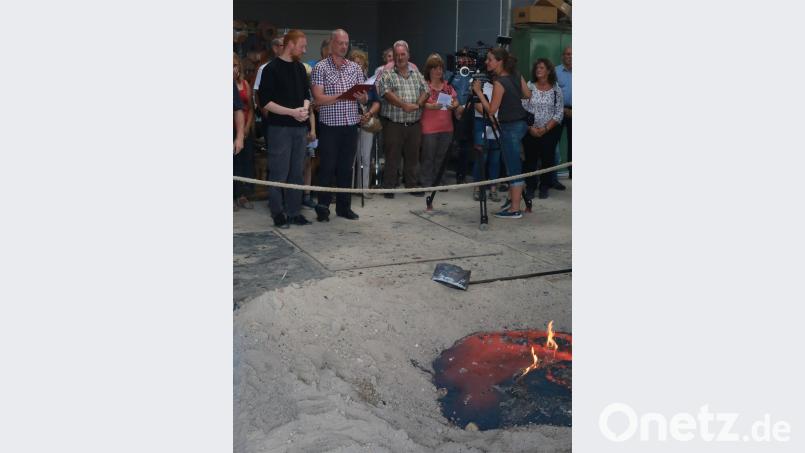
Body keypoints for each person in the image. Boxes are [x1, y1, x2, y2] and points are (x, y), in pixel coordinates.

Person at [311, 29, 368, 221]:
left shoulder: (355, 68)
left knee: (346, 168)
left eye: (346, 43)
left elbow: (364, 98)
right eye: (340, 43)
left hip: (350, 125)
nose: (344, 46)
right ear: (331, 44)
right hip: (329, 127)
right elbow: (317, 99)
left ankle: (344, 207)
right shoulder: (320, 68)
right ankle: (323, 207)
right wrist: (341, 96)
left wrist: (362, 97)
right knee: (327, 167)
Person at [258, 30, 313, 228]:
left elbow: (307, 94)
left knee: (297, 173)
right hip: (279, 129)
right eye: (302, 46)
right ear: (290, 44)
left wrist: (305, 109)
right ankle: (277, 212)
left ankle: (294, 211)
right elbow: (265, 102)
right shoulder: (271, 69)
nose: (304, 50)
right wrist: (292, 112)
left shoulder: (300, 69)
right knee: (279, 173)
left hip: (299, 128)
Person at [471, 47, 531, 219]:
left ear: (499, 61)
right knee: (514, 164)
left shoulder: (499, 82)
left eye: (490, 59)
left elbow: (490, 110)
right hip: (520, 124)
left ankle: (514, 209)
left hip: (510, 127)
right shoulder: (515, 74)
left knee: (514, 168)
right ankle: (514, 200)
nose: (486, 62)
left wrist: (478, 92)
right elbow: (527, 94)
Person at [376, 40, 428, 198]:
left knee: (413, 157)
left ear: (408, 55)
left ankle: (411, 185)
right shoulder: (387, 74)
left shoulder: (416, 73)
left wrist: (419, 103)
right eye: (397, 55)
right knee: (392, 157)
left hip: (414, 124)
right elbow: (386, 93)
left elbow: (426, 90)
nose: (400, 57)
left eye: (403, 54)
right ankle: (389, 187)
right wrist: (404, 105)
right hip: (394, 125)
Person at [521, 58, 564, 200]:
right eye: (537, 68)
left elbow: (559, 113)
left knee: (548, 159)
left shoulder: (556, 89)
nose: (538, 70)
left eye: (542, 68)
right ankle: (531, 187)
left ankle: (544, 186)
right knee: (530, 160)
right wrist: (531, 128)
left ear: (549, 71)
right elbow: (523, 109)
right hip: (531, 130)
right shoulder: (529, 86)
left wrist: (545, 129)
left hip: (549, 131)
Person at [419, 53, 459, 189]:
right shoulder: (424, 86)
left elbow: (456, 101)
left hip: (447, 128)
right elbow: (421, 103)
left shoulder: (448, 87)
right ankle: (426, 183)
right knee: (428, 156)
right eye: (435, 68)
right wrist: (432, 106)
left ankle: (440, 182)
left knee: (442, 157)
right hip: (429, 128)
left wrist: (454, 105)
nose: (438, 71)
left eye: (440, 68)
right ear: (429, 70)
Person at [349, 49, 381, 198]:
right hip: (349, 122)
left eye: (360, 63)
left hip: (366, 121)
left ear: (364, 66)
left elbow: (376, 102)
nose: (357, 65)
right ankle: (348, 190)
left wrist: (368, 114)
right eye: (355, 62)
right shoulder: (346, 81)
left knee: (365, 157)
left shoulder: (369, 82)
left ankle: (364, 189)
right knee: (350, 158)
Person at [471, 79, 501, 202]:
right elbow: (477, 104)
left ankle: (493, 189)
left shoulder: (501, 84)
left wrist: (496, 121)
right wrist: (492, 119)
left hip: (499, 123)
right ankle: (477, 188)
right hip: (482, 122)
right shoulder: (479, 82)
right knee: (481, 157)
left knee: (495, 158)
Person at [233, 53, 255, 211]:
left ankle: (243, 195)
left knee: (246, 163)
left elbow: (249, 109)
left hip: (243, 129)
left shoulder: (245, 84)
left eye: (235, 65)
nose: (233, 69)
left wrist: (245, 129)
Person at [555, 46, 572, 181]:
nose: (570, 56)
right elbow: (551, 93)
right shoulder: (555, 71)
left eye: (572, 54)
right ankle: (552, 177)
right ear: (563, 56)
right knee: (553, 143)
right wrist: (563, 109)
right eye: (567, 54)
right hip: (558, 111)